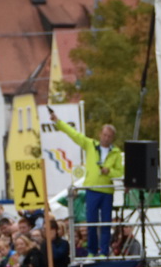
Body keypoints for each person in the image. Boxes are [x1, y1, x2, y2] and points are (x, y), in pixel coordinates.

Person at [49, 109, 122, 257]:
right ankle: (92, 251)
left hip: (107, 190)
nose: (106, 138)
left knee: (106, 223)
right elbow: (74, 134)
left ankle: (104, 251)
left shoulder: (116, 152)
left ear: (113, 138)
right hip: (92, 189)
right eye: (104, 134)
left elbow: (120, 171)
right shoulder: (90, 145)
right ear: (100, 134)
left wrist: (110, 172)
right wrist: (58, 122)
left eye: (109, 136)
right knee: (91, 222)